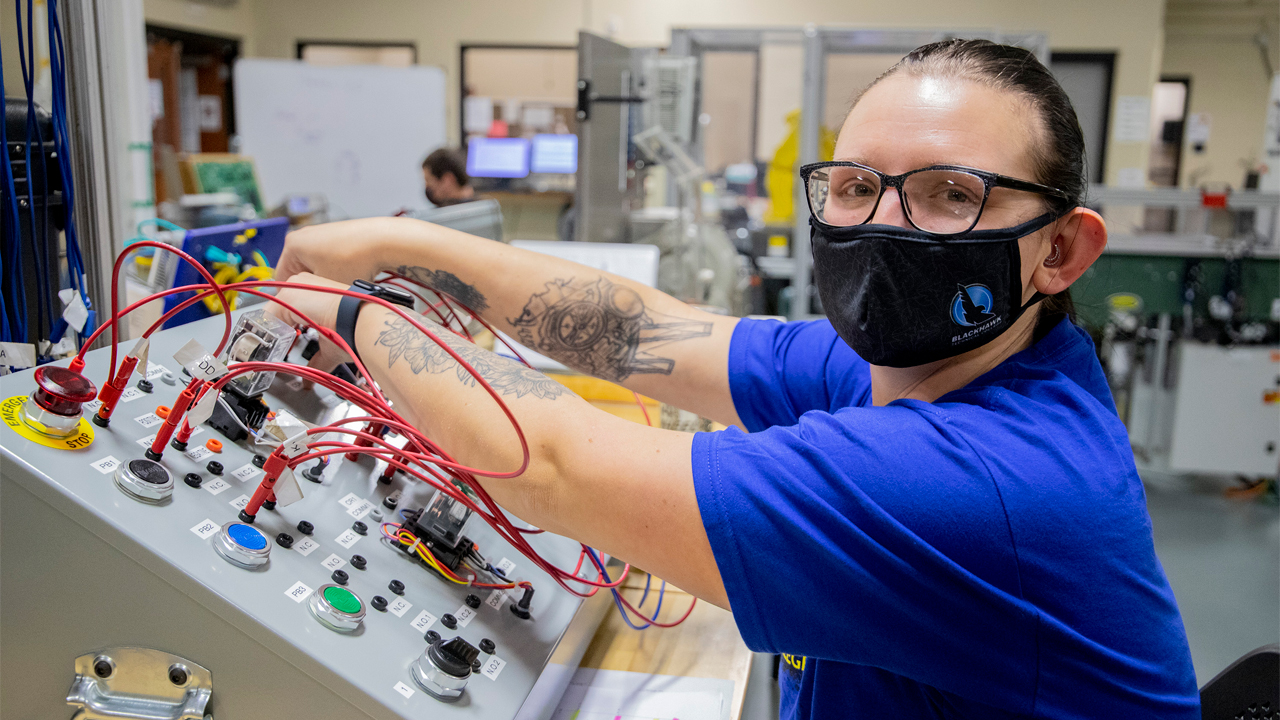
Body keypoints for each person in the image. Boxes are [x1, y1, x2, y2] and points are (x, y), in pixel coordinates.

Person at [272, 40, 1199, 719]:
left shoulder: (983, 481)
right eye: (852, 186)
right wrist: (402, 247)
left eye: (949, 193)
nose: (883, 225)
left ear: (1061, 249)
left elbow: (546, 465)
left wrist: (352, 315)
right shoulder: (918, 364)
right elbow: (643, 333)